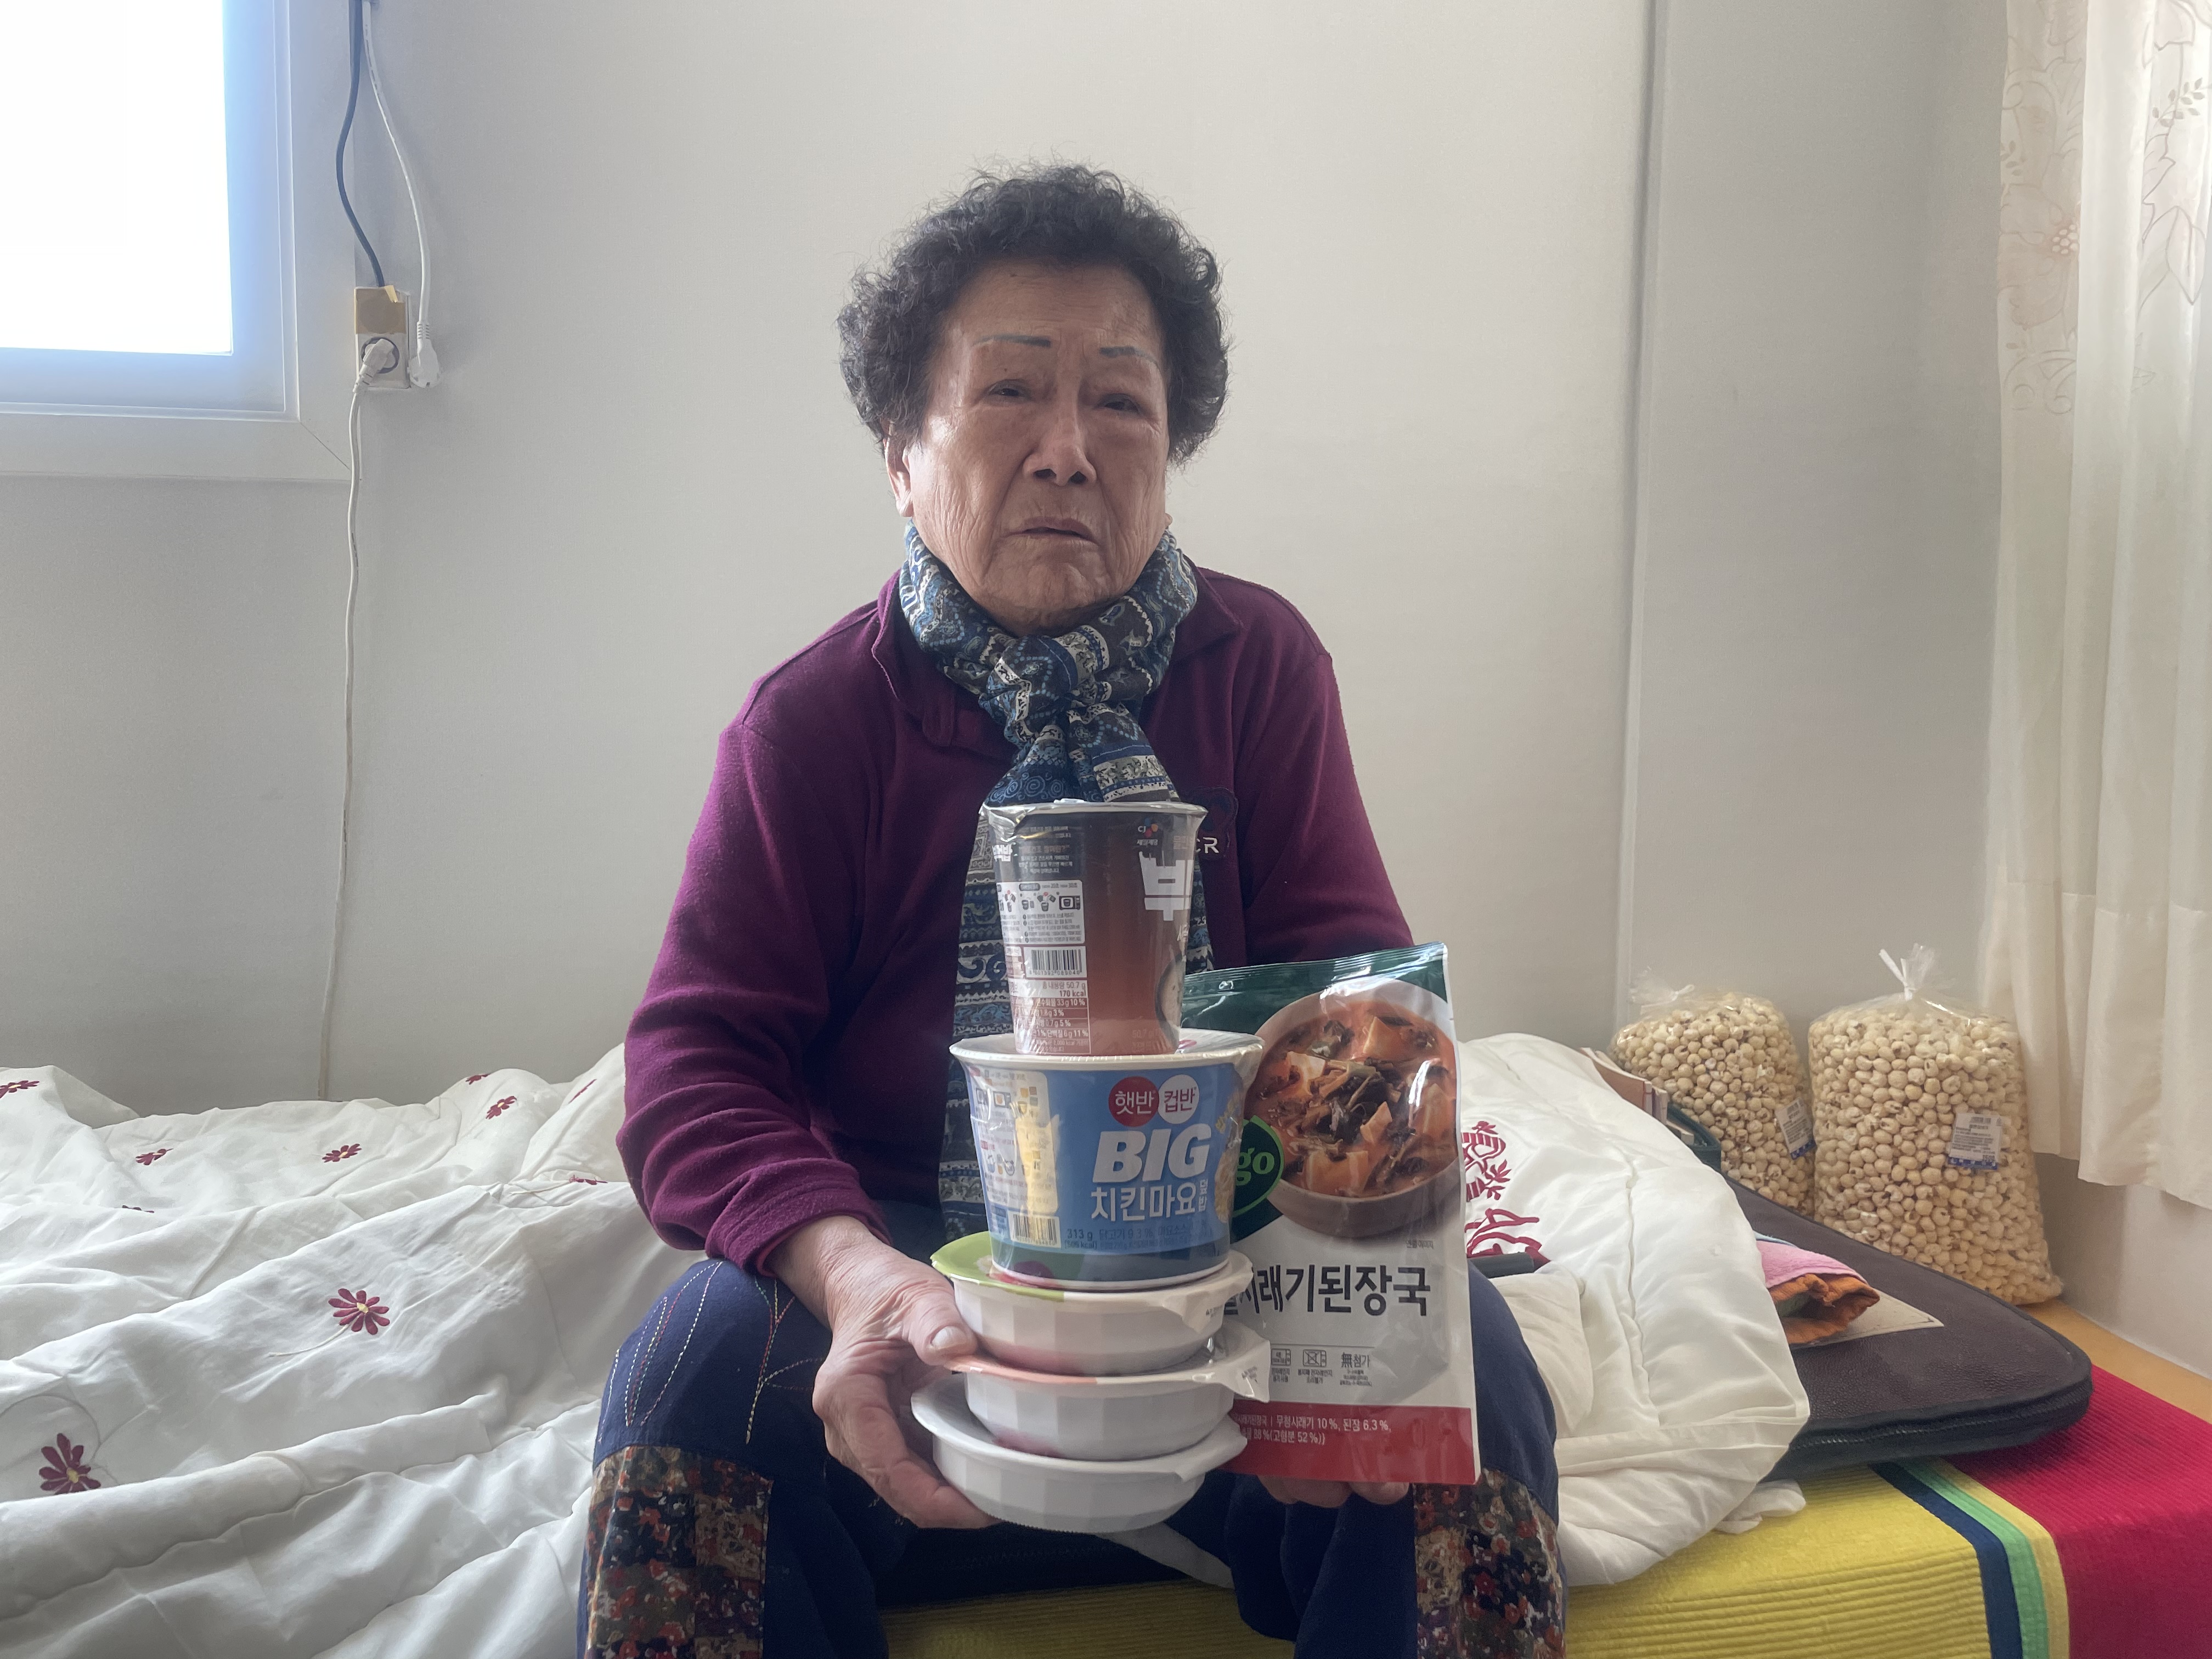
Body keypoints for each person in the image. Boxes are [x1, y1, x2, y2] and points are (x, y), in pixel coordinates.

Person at [579, 165, 1566, 1659]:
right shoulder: (816, 723)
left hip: (1218, 1253)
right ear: (901, 456)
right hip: (913, 1252)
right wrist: (849, 1269)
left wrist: (1361, 1307)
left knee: (1466, 1379)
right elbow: (694, 1070)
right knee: (690, 1401)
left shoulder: (1259, 669)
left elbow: (1352, 1021)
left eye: (1120, 403)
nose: (1067, 450)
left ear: (1170, 452)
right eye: (1008, 394)